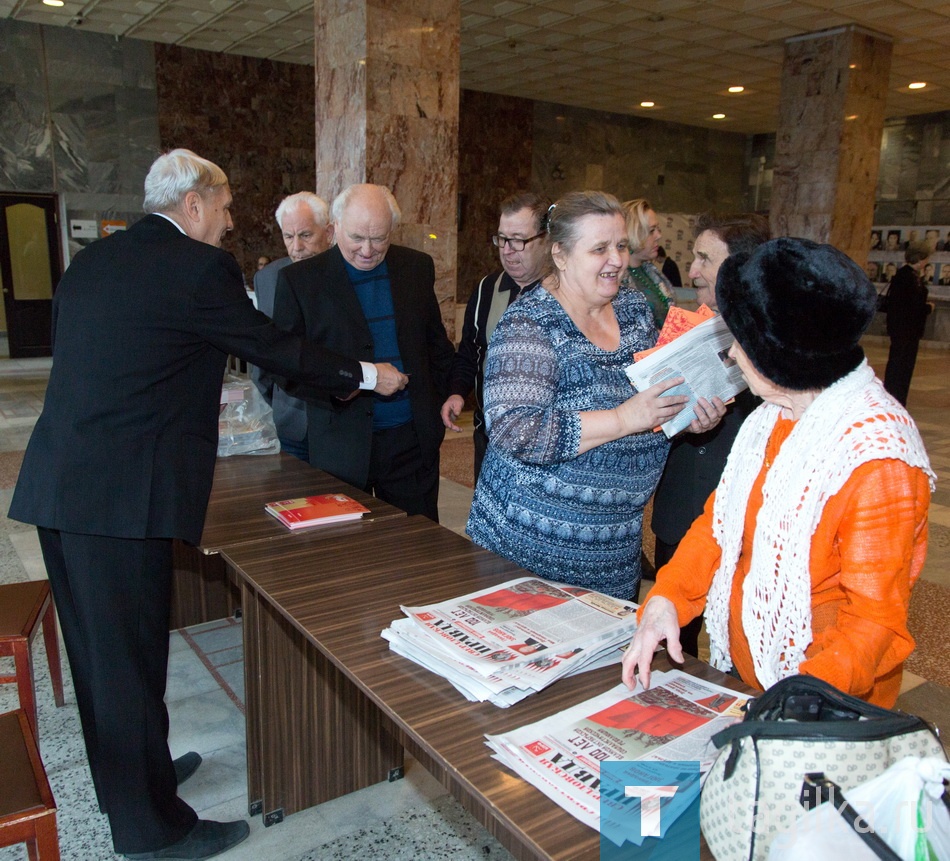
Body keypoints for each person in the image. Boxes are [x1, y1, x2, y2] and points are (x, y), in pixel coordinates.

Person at [7, 150, 407, 860]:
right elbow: (269, 346)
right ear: (192, 204)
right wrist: (365, 374)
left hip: (60, 486)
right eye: (224, 207)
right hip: (122, 501)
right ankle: (150, 830)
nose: (228, 223)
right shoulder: (198, 269)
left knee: (103, 660)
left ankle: (133, 782)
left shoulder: (97, 262)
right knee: (129, 662)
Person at [622, 237, 934, 708]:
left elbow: (873, 624)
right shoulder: (776, 414)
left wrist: (793, 701)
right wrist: (666, 599)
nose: (730, 356)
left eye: (741, 344)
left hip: (824, 702)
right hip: (752, 683)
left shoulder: (878, 460)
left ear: (781, 357)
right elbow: (719, 526)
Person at [466, 191, 724, 600]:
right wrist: (623, 418)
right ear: (562, 255)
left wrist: (685, 415)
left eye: (621, 245)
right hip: (528, 554)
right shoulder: (529, 324)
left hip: (612, 555)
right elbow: (515, 431)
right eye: (600, 248)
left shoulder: (633, 309)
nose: (618, 259)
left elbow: (652, 398)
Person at [273, 183, 454, 521]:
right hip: (340, 447)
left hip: (410, 446)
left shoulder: (416, 268)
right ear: (334, 228)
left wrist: (442, 398)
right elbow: (286, 368)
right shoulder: (300, 281)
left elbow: (435, 345)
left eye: (379, 239)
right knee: (347, 558)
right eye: (356, 238)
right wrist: (350, 384)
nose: (368, 250)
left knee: (415, 551)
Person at [649, 212, 770, 655]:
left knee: (740, 642)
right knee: (674, 640)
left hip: (742, 522)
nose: (692, 270)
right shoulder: (684, 326)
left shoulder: (774, 338)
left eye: (704, 258)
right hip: (680, 510)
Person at [440, 191, 550, 480]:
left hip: (546, 446)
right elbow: (471, 351)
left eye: (518, 240)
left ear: (546, 239)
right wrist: (456, 392)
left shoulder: (565, 292)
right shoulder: (486, 289)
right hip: (489, 437)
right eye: (502, 239)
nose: (507, 249)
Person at [252, 191, 335, 461]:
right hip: (291, 423)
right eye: (289, 236)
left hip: (340, 422)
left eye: (306, 235)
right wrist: (277, 401)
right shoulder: (267, 278)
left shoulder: (347, 274)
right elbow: (261, 354)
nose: (297, 246)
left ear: (329, 232)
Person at [884, 241, 934, 406]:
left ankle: (897, 398)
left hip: (905, 329)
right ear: (920, 259)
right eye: (926, 258)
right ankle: (894, 398)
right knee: (900, 366)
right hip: (905, 329)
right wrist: (928, 307)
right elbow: (911, 306)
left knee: (902, 365)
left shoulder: (906, 275)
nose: (927, 262)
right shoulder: (907, 277)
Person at [623, 198, 677, 328]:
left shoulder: (651, 271)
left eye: (658, 229)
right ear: (633, 233)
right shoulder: (616, 280)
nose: (659, 235)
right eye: (652, 230)